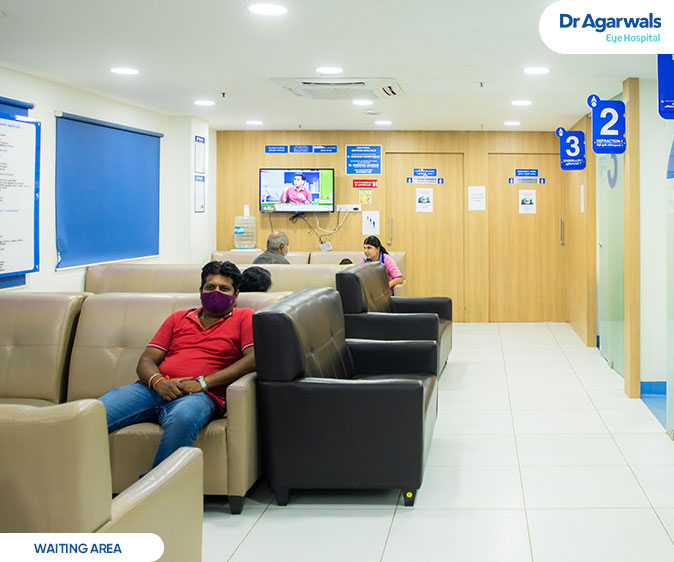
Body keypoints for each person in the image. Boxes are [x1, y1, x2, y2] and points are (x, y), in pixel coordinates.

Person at [98, 261, 255, 469]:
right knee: (95, 413)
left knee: (184, 417)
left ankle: (159, 485)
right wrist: (159, 382)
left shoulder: (244, 317)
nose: (216, 292)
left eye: (224, 288)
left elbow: (253, 359)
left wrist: (203, 383)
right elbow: (146, 360)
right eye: (210, 287)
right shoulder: (178, 318)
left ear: (236, 294)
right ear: (200, 290)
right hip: (153, 389)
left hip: (202, 395)